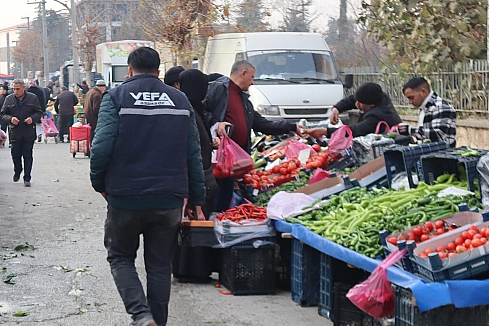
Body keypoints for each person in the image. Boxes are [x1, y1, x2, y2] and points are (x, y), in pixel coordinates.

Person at [90, 46, 205, 326]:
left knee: (120, 257)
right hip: (169, 198)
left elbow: (100, 148)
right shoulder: (179, 100)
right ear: (159, 70)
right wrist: (196, 197)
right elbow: (193, 152)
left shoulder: (116, 97)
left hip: (126, 196)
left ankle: (141, 316)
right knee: (159, 266)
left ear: (129, 70)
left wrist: (100, 184)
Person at [204, 60, 321, 211]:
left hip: (234, 163)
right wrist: (215, 123)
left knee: (224, 200)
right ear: (243, 73)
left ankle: (219, 221)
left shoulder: (245, 101)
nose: (252, 82)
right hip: (217, 160)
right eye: (252, 77)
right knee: (213, 198)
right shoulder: (219, 89)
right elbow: (200, 110)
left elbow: (263, 125)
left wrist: (291, 127)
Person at [172, 68, 219, 281]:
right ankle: (192, 270)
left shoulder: (191, 108)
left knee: (193, 220)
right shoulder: (189, 110)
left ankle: (191, 269)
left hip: (196, 174)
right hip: (196, 176)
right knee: (194, 220)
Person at [0, 79, 43, 186]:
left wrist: (32, 118)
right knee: (15, 155)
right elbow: (3, 114)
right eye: (14, 89)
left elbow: (39, 112)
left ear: (24, 88)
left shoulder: (32, 98)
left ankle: (27, 178)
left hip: (28, 131)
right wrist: (11, 119)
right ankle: (18, 170)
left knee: (27, 155)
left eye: (18, 89)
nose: (16, 91)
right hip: (15, 132)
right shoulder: (9, 99)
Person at [328, 82, 403, 137]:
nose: (356, 104)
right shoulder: (379, 97)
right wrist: (336, 109)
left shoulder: (377, 115)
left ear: (371, 105)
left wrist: (327, 132)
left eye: (360, 103)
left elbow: (356, 130)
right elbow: (352, 99)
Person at [402, 76, 457, 145]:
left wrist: (409, 130)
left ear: (424, 92)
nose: (410, 102)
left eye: (411, 98)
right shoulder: (424, 108)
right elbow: (424, 138)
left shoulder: (441, 106)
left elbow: (439, 135)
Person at [83, 79, 107, 148]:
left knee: (89, 134)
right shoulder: (97, 95)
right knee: (93, 135)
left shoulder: (90, 92)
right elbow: (96, 108)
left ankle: (88, 148)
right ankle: (92, 149)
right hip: (93, 118)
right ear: (102, 87)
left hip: (87, 115)